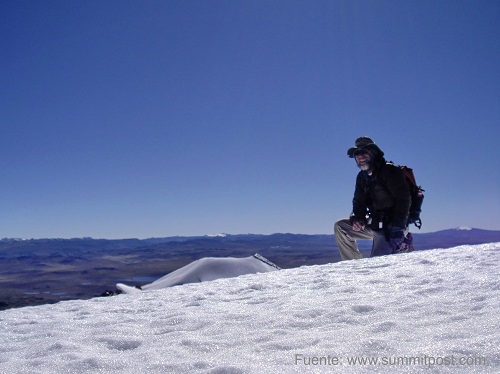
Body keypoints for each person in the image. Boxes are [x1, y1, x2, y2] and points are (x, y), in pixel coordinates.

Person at [334, 136, 413, 260]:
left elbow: (404, 200)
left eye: (364, 152)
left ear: (374, 153)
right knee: (340, 227)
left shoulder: (390, 171)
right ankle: (353, 266)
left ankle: (402, 245)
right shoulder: (362, 177)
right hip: (375, 222)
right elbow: (358, 201)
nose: (360, 156)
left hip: (392, 227)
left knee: (377, 265)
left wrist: (398, 228)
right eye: (357, 153)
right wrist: (357, 219)